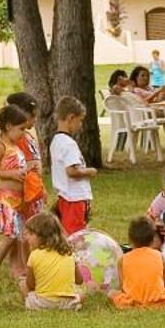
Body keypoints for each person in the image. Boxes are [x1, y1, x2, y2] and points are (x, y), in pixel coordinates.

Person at [0, 102, 39, 284]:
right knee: (10, 236)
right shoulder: (1, 146)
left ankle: (25, 269)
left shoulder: (15, 146)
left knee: (21, 236)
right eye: (21, 129)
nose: (24, 133)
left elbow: (17, 166)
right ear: (8, 127)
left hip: (19, 200)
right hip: (6, 199)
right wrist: (12, 174)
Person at [111, 215, 165, 309]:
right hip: (159, 301)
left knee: (111, 293)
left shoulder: (123, 259)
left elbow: (123, 288)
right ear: (153, 239)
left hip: (132, 302)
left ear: (130, 239)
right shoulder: (158, 255)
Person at [49, 95, 97, 235]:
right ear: (71, 118)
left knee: (69, 231)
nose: (81, 125)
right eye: (80, 120)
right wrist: (89, 171)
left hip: (65, 196)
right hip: (75, 197)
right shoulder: (68, 144)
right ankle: (74, 257)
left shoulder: (56, 141)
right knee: (76, 235)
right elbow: (72, 171)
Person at [19, 213, 83, 310]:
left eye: (31, 234)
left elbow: (30, 285)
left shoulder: (34, 255)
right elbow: (79, 280)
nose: (28, 237)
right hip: (68, 304)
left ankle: (31, 305)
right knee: (81, 293)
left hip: (42, 304)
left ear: (43, 236)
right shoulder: (69, 253)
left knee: (22, 284)